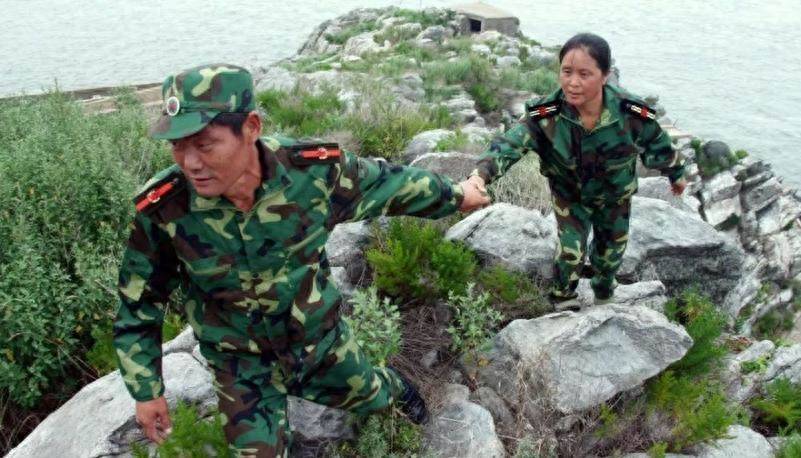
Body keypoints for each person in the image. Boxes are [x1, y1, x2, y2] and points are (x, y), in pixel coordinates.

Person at [113, 63, 489, 456]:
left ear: (251, 127)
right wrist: (146, 390)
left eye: (205, 145)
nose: (190, 162)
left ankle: (393, 386)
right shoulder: (164, 208)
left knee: (375, 397)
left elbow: (390, 184)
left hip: (317, 345)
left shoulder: (311, 174)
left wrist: (457, 195)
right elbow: (139, 303)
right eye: (177, 145)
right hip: (241, 367)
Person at [464, 33, 686, 310]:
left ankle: (604, 294)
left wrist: (676, 173)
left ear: (605, 75)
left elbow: (658, 143)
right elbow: (509, 144)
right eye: (566, 71)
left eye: (584, 74)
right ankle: (563, 300)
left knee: (610, 253)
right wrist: (480, 175)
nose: (573, 82)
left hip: (614, 196)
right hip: (570, 196)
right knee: (571, 252)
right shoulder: (546, 114)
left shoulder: (631, 111)